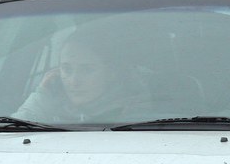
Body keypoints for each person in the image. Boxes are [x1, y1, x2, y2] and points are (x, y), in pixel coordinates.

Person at [14, 26, 150, 124]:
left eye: (87, 70)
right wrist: (42, 96)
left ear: (111, 73)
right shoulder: (49, 104)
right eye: (67, 69)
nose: (74, 81)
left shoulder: (137, 117)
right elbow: (14, 132)